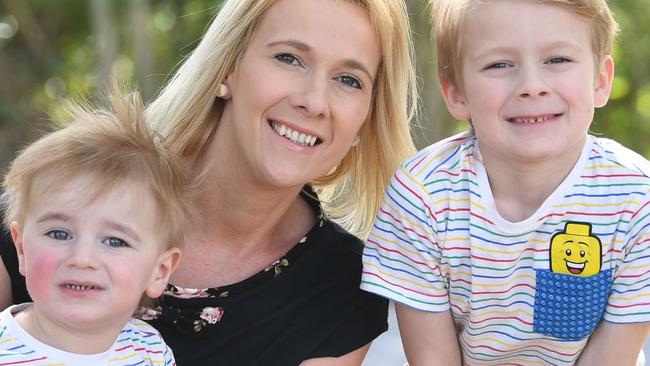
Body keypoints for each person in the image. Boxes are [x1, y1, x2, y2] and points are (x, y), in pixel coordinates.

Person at [0, 0, 418, 364]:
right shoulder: (74, 190)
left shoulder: (342, 286)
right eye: (289, 58)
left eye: (349, 80)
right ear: (228, 68)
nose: (313, 101)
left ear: (365, 119)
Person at [361, 0, 650, 365]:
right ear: (456, 94)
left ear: (601, 80)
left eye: (557, 60)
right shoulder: (423, 196)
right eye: (499, 64)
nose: (532, 86)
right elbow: (434, 358)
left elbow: (611, 357)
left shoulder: (637, 199)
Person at [0, 90, 187, 364]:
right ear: (22, 250)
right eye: (59, 233)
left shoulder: (150, 352)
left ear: (159, 271)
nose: (82, 259)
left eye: (114, 241)